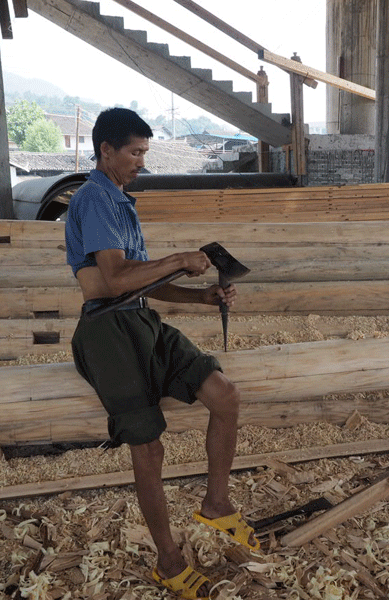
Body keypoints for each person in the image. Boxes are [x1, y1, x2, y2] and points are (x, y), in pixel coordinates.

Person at [65, 107, 257, 600]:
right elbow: (112, 282)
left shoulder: (121, 203)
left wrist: (202, 296)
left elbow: (140, 283)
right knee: (148, 446)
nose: (141, 162)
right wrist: (177, 258)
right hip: (107, 332)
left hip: (139, 320)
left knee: (225, 394)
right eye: (135, 152)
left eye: (145, 152)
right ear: (106, 150)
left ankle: (215, 504)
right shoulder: (93, 200)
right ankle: (168, 561)